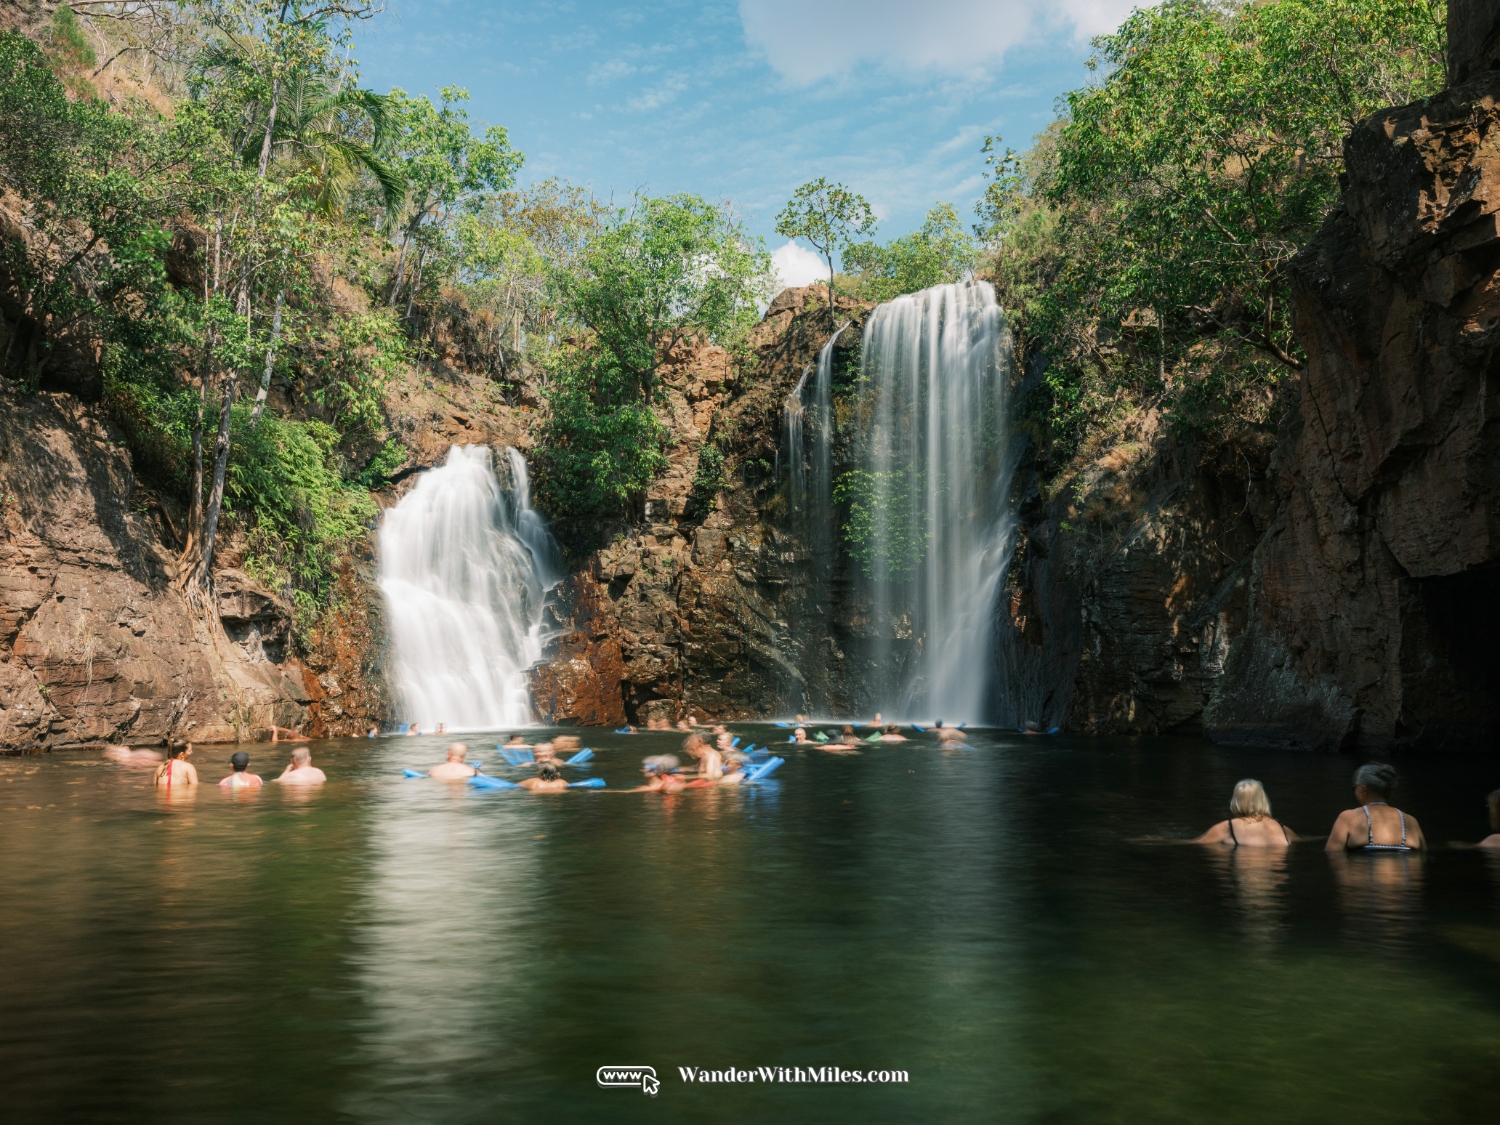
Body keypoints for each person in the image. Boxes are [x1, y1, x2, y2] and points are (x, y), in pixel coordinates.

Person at [1325, 762, 1425, 852]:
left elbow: (1332, 855)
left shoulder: (1347, 818)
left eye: (1354, 788)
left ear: (1362, 790)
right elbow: (1423, 855)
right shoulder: (1411, 821)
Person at [1195, 779, 1297, 846]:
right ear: (1263, 800)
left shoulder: (1228, 827)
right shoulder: (1282, 828)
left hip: (1244, 877)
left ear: (1235, 801)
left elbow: (1196, 843)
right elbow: (1304, 840)